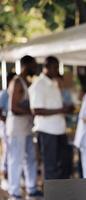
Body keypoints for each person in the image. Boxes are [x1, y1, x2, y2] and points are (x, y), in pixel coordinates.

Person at [28, 56, 73, 180]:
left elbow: (54, 104)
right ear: (46, 67)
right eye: (55, 67)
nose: (58, 71)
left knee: (64, 164)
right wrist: (60, 110)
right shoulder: (39, 84)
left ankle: (61, 192)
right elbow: (35, 110)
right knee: (50, 166)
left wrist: (66, 108)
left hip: (60, 129)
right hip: (47, 131)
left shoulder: (54, 83)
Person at [5, 55, 42, 199]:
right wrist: (31, 112)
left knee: (31, 158)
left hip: (26, 127)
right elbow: (13, 108)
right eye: (33, 65)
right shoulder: (17, 82)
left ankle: (31, 187)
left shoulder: (26, 82)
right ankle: (14, 191)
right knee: (16, 159)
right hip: (16, 128)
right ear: (26, 65)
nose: (35, 68)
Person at [0, 72, 16, 189]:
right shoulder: (5, 93)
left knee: (13, 152)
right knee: (7, 151)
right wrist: (7, 120)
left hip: (14, 126)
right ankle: (5, 176)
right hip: (6, 126)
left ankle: (12, 176)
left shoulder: (13, 93)